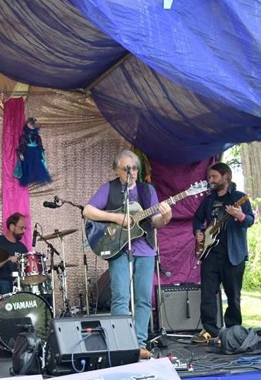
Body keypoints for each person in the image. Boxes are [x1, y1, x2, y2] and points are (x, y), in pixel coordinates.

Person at [83, 149, 172, 359]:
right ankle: (121, 343)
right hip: (119, 248)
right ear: (116, 170)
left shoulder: (147, 190)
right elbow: (88, 211)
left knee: (143, 298)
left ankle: (139, 343)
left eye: (133, 169)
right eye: (125, 169)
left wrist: (166, 217)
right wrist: (116, 218)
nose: (130, 172)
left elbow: (156, 221)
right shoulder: (109, 188)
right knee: (120, 296)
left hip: (145, 248)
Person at [192, 162, 254, 344]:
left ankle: (233, 332)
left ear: (226, 176)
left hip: (233, 255)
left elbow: (250, 220)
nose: (210, 180)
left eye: (214, 176)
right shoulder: (209, 200)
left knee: (233, 296)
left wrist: (240, 216)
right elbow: (197, 218)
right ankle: (210, 330)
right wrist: (198, 232)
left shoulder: (239, 198)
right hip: (210, 254)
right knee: (207, 295)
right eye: (209, 176)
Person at [0, 213, 29, 296]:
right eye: (21, 228)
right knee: (6, 285)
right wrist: (7, 259)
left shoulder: (22, 247)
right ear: (12, 227)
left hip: (18, 283)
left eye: (25, 228)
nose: (23, 231)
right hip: (0, 283)